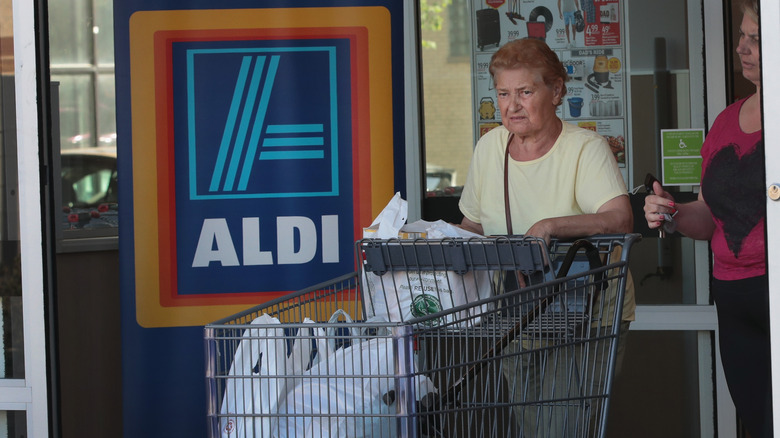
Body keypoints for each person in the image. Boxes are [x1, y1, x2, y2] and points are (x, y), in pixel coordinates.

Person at [458, 37, 634, 436]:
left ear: (556, 91)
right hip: (518, 312)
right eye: (503, 93)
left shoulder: (584, 148)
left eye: (525, 91)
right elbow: (473, 227)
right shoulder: (489, 149)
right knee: (534, 426)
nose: (512, 105)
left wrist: (550, 226)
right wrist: (423, 239)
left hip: (583, 313)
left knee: (561, 426)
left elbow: (619, 218)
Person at [643, 1, 771, 436]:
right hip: (734, 294)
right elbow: (709, 214)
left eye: (755, 38)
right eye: (741, 35)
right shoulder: (726, 121)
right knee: (758, 422)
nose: (741, 47)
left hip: (774, 286)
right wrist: (674, 214)